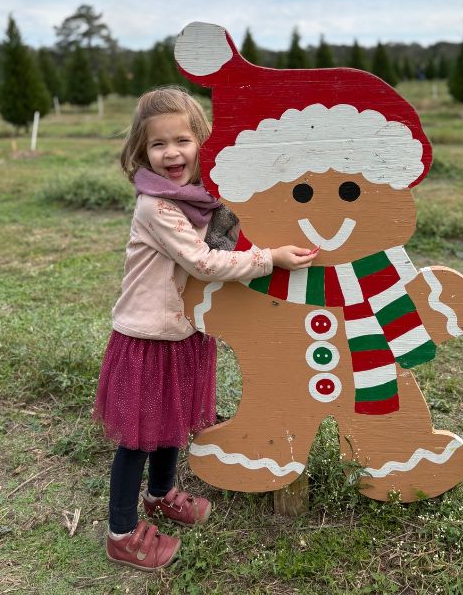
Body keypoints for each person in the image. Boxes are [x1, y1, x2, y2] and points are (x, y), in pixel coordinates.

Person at [93, 86, 317, 572]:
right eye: (158, 145)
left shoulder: (200, 200)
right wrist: (269, 258)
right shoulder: (156, 206)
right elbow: (202, 261)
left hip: (185, 332)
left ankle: (160, 495)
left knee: (171, 422)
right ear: (141, 152)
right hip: (147, 338)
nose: (172, 152)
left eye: (183, 140)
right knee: (137, 438)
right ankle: (122, 533)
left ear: (203, 144)